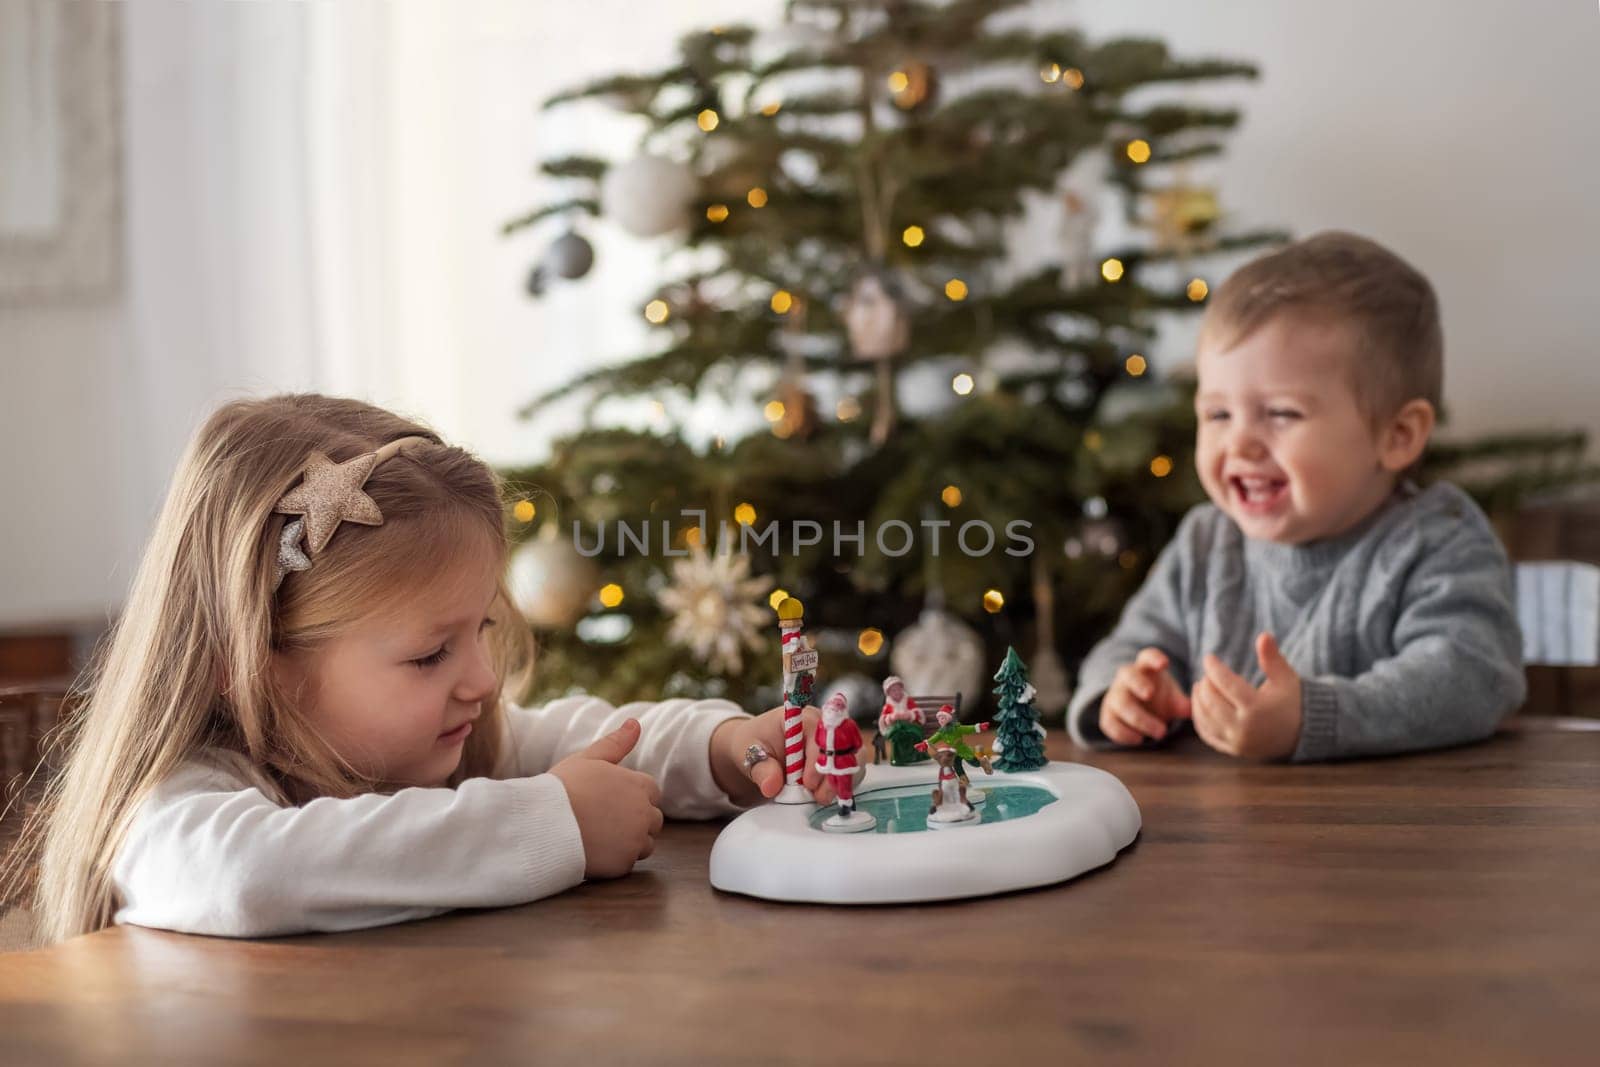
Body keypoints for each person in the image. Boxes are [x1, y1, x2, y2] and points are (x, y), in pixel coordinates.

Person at [2, 394, 837, 943]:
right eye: (432, 652)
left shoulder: (433, 744)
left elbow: (575, 736)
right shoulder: (176, 805)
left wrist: (727, 746)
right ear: (251, 667)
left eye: (480, 628)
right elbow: (247, 874)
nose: (480, 676)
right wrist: (552, 825)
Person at [1067, 232, 1525, 762]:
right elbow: (1131, 646)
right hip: (1227, 832)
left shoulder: (1437, 539)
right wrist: (1127, 694)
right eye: (1218, 414)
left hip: (1394, 830)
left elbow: (1472, 676)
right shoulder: (1206, 542)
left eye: (1282, 413)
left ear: (1397, 435)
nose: (1239, 442)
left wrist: (1314, 717)